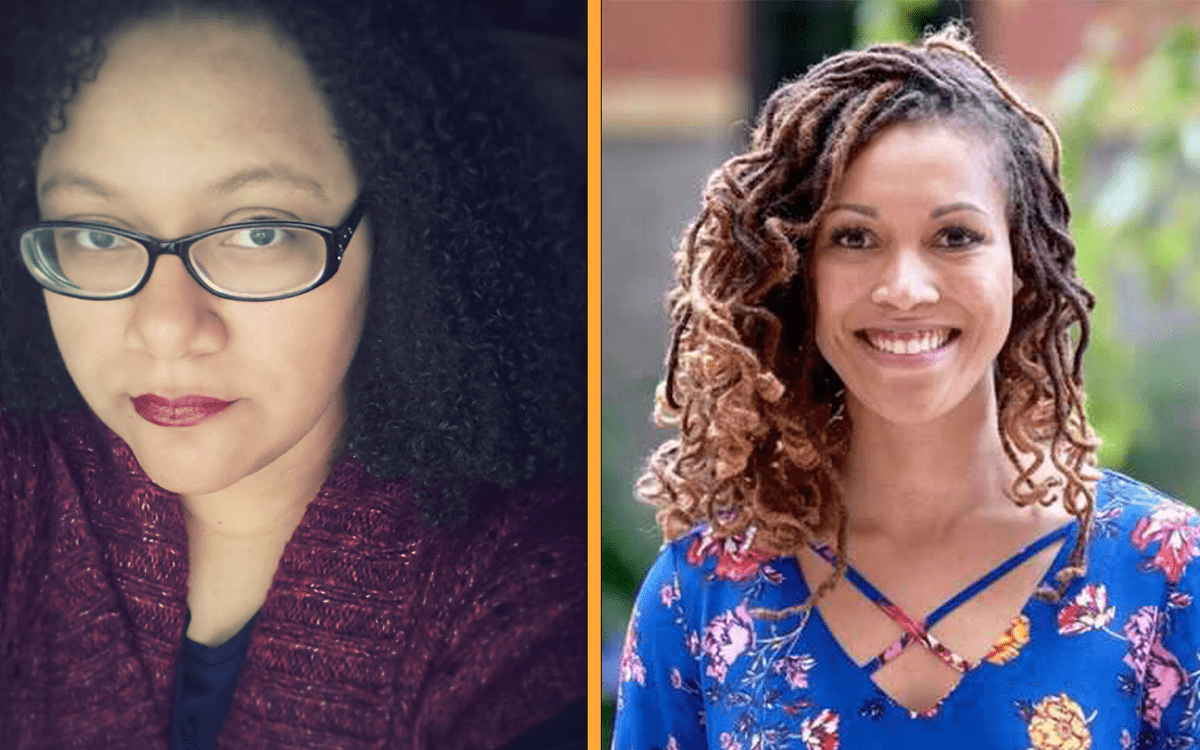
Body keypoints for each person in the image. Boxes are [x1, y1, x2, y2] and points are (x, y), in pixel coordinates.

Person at [0, 0, 585, 748]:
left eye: (258, 231)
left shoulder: (527, 591)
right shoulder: (25, 489)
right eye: (95, 233)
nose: (167, 326)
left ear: (401, 228)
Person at [612, 24, 1200, 749]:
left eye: (955, 237)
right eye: (853, 239)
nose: (904, 289)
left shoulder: (1166, 573)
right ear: (798, 277)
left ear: (1022, 265)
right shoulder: (699, 596)